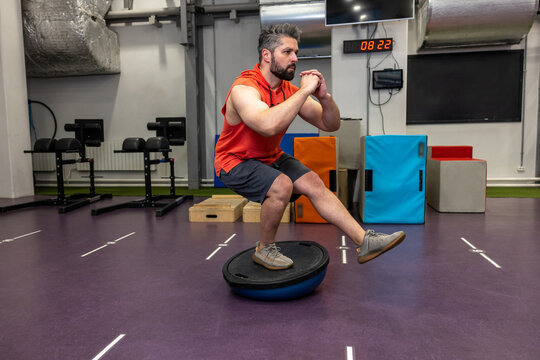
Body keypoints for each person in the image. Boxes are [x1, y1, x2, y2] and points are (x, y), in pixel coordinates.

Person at [215, 23, 405, 270]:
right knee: (281, 184)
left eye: (296, 52)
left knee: (315, 182)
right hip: (235, 161)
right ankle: (264, 249)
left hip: (269, 156)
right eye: (287, 52)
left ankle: (364, 241)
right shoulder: (244, 89)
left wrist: (324, 98)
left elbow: (330, 124)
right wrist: (304, 92)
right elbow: (267, 125)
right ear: (266, 55)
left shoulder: (288, 90)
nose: (295, 58)